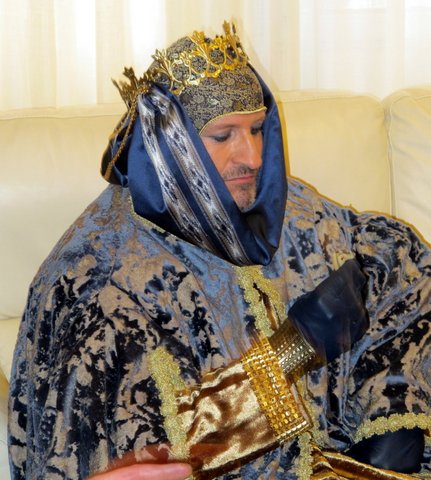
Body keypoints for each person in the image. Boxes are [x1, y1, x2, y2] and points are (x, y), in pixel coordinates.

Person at [8, 22, 431, 480]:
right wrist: (293, 350)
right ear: (172, 143)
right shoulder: (99, 282)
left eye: (257, 129)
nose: (252, 157)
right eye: (223, 136)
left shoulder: (286, 207)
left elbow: (400, 263)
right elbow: (140, 459)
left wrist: (393, 412)